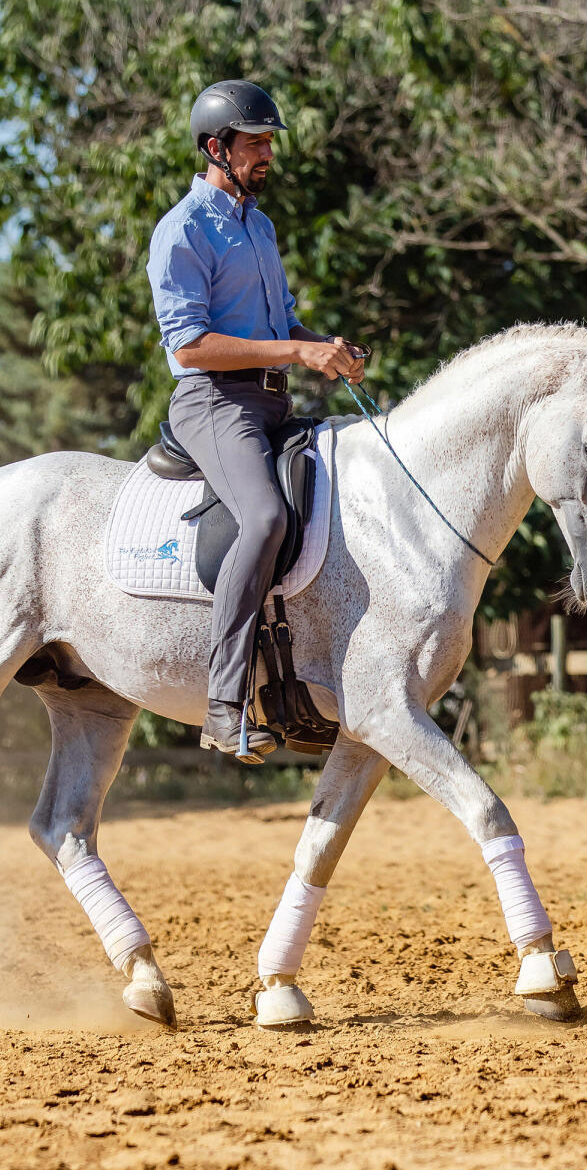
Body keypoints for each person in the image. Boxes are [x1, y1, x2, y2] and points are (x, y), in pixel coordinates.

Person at [147, 79, 365, 762]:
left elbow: (279, 324)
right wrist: (296, 349)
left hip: (274, 401)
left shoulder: (259, 224)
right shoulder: (182, 229)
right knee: (265, 519)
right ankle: (222, 704)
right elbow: (189, 345)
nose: (267, 153)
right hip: (213, 402)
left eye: (269, 142)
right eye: (256, 142)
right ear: (217, 147)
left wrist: (323, 346)